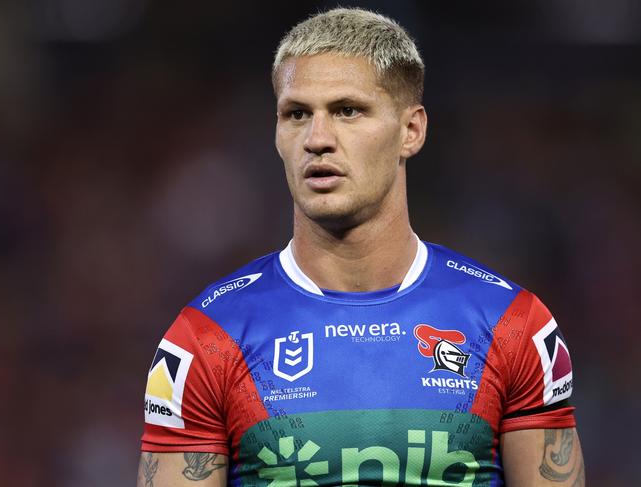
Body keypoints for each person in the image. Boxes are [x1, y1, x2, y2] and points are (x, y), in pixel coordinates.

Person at [137, 8, 584, 487]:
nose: (317, 139)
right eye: (296, 114)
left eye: (348, 110)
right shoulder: (206, 339)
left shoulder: (512, 325)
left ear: (411, 131)